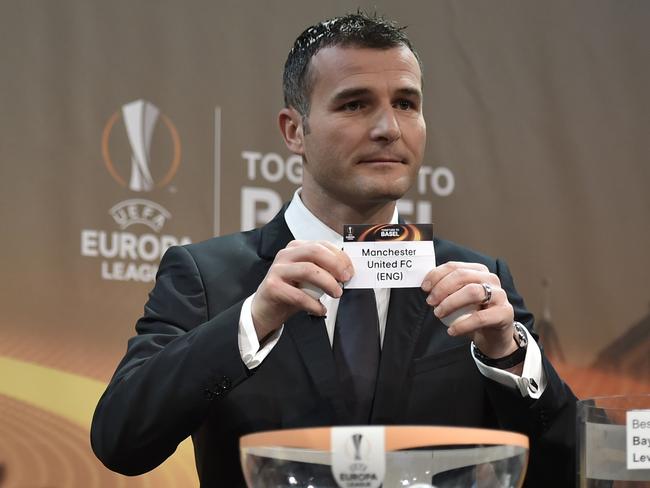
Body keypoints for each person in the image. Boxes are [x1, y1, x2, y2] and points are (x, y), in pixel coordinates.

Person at [91, 13, 576, 487]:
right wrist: (252, 319)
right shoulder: (206, 275)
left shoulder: (476, 283)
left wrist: (510, 360)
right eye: (355, 104)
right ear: (294, 131)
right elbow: (121, 442)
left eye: (407, 103)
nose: (389, 128)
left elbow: (567, 467)